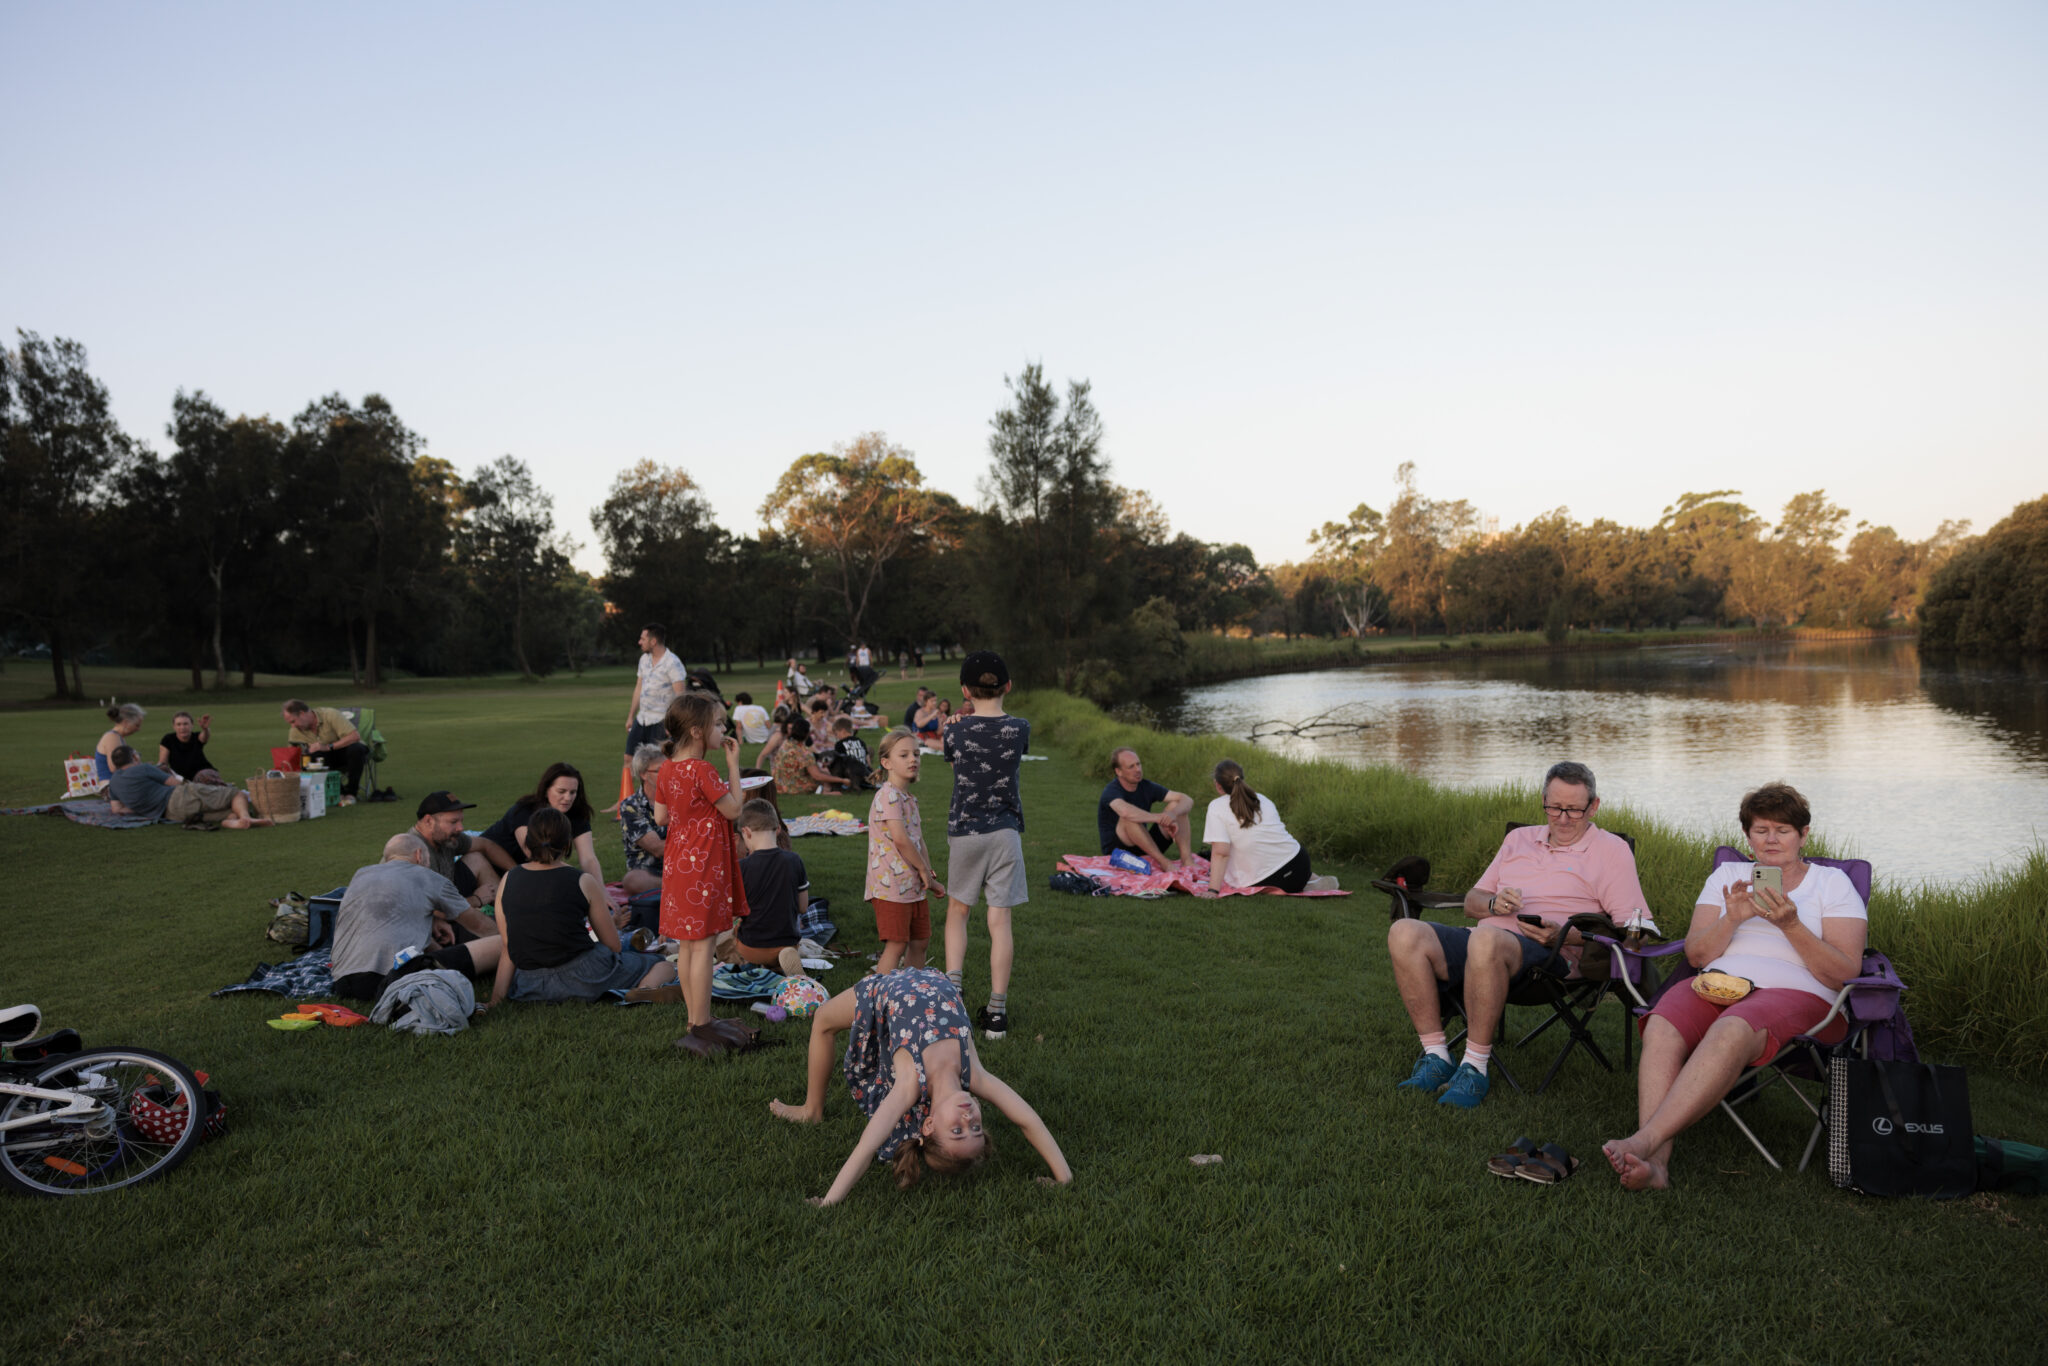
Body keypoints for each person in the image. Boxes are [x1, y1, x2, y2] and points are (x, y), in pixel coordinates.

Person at [1603, 783, 1868, 1191]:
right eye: (1761, 830)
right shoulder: (1727, 877)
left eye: (1783, 829)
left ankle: (1645, 1141)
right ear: (1747, 837)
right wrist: (1731, 918)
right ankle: (1656, 1167)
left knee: (1730, 1029)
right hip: (1719, 983)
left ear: (1804, 835)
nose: (1772, 839)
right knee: (1661, 1026)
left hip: (1802, 995)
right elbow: (1696, 956)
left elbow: (1844, 971)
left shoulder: (1832, 884)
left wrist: (1791, 925)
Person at [1386, 760, 1649, 1110]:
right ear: (1543, 801)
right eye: (1554, 807)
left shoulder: (1611, 851)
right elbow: (1472, 901)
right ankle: (1436, 1056)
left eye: (1573, 809)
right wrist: (1494, 903)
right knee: (1404, 932)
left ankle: (1475, 1068)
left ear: (1594, 806)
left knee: (1486, 940)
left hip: (1550, 959)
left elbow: (1634, 931)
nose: (1563, 818)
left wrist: (1565, 936)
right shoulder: (1518, 839)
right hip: (1486, 942)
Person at [768, 968, 1072, 1204]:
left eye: (956, 1131)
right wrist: (1063, 1179)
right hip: (933, 979)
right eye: (977, 1129)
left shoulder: (910, 1084)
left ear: (928, 1124)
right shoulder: (975, 1074)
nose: (969, 1121)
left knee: (822, 1020)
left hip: (886, 992)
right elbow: (1027, 1119)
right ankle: (812, 1108)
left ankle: (812, 1110)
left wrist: (828, 1202)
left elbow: (867, 1145)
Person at [483, 808, 676, 1008]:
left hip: (530, 984)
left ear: (527, 842)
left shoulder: (508, 879)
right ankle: (640, 993)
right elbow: (613, 946)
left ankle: (636, 992)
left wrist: (496, 1000)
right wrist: (613, 925)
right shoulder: (582, 880)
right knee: (662, 965)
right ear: (567, 844)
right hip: (585, 976)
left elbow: (509, 946)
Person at [654, 693, 753, 1052]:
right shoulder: (703, 770)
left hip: (677, 865)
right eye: (718, 723)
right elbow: (733, 809)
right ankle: (702, 1022)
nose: (723, 729)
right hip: (704, 867)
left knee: (687, 946)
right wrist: (733, 765)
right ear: (698, 731)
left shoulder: (665, 768)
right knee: (705, 946)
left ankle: (694, 1020)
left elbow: (660, 818)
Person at [942, 650, 1030, 1041]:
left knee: (958, 912)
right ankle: (997, 1015)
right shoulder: (1021, 728)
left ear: (965, 690)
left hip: (965, 832)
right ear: (1007, 686)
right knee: (1000, 922)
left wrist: (956, 724)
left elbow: (956, 765)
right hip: (1005, 833)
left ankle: (953, 997)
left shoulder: (954, 731)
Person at [332, 832, 505, 1001]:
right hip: (393, 979)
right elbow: (479, 926)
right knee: (501, 943)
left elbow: (389, 926)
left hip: (342, 981)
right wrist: (509, 939)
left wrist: (433, 933)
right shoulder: (428, 877)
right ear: (419, 855)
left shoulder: (361, 874)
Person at [866, 728, 944, 975]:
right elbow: (900, 839)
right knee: (897, 944)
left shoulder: (908, 798)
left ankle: (910, 992)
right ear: (886, 762)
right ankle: (876, 1001)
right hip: (890, 888)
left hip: (913, 886)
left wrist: (928, 875)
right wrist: (922, 870)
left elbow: (918, 840)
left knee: (920, 942)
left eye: (916, 754)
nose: (913, 759)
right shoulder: (887, 796)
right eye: (904, 755)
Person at [1201, 758, 1337, 894]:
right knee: (1279, 859)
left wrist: (1213, 890)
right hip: (1299, 862)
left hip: (1270, 878)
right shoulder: (1262, 799)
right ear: (1242, 778)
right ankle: (1311, 880)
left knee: (1270, 872)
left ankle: (1299, 884)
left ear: (1218, 785)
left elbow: (1221, 852)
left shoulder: (1216, 807)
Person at [466, 763, 604, 887]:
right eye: (561, 791)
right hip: (493, 867)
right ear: (546, 790)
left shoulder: (576, 814)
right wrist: (575, 879)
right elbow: (536, 855)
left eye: (573, 792)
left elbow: (588, 858)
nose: (568, 798)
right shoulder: (525, 811)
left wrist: (601, 892)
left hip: (524, 872)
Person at [722, 799, 807, 978]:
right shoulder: (794, 860)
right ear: (777, 829)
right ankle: (779, 965)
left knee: (724, 935)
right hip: (788, 943)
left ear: (746, 832)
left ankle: (749, 965)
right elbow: (803, 907)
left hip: (752, 948)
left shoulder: (741, 867)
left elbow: (732, 913)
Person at [105, 746, 273, 829]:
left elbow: (118, 809)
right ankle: (246, 818)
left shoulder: (113, 783)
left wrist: (141, 803)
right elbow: (175, 783)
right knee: (235, 794)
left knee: (227, 810)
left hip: (171, 815)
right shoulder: (142, 768)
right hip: (179, 796)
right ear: (134, 756)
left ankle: (230, 820)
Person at [1097, 747, 1198, 871]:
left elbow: (1187, 799)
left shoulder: (1146, 786)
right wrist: (1159, 818)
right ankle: (1164, 862)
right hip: (1120, 853)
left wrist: (1173, 814)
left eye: (1138, 764)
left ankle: (1187, 861)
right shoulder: (1111, 791)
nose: (1138, 769)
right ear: (1119, 771)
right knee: (1127, 818)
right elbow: (1125, 811)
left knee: (1177, 805)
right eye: (1131, 767)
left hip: (1145, 846)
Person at [410, 790, 500, 928]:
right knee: (495, 937)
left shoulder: (445, 837)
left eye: (460, 821)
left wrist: (518, 872)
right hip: (426, 925)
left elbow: (486, 845)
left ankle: (512, 912)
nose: (460, 828)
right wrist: (476, 900)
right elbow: (435, 912)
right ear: (429, 821)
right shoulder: (415, 853)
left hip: (448, 900)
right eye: (453, 822)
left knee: (475, 858)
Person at [621, 623, 687, 803]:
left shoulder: (672, 662)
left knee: (660, 763)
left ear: (653, 641)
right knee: (629, 758)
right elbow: (638, 688)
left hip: (661, 720)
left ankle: (662, 802)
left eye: (643, 638)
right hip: (642, 718)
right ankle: (627, 801)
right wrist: (630, 715)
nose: (639, 642)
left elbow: (680, 695)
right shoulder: (644, 660)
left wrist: (673, 723)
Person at [281, 699, 368, 805]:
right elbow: (291, 756)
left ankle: (351, 793)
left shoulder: (330, 714)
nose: (293, 726)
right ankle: (338, 793)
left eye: (293, 721)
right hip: (325, 759)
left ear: (302, 714)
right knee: (313, 756)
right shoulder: (295, 731)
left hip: (347, 752)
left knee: (356, 748)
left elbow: (354, 737)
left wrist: (327, 747)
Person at [618, 744, 668, 897]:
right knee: (633, 880)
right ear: (643, 774)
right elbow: (658, 849)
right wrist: (696, 843)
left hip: (683, 865)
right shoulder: (630, 806)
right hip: (652, 873)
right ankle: (680, 885)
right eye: (660, 770)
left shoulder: (679, 799)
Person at [772, 717, 851, 796]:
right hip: (794, 788)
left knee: (824, 772)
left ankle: (825, 790)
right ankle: (825, 792)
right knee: (833, 786)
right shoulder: (805, 752)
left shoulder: (786, 743)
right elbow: (817, 776)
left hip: (779, 786)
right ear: (807, 734)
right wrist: (842, 780)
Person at [94, 703, 147, 782]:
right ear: (125, 723)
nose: (138, 729)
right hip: (111, 785)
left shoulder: (117, 737)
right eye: (137, 725)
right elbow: (115, 768)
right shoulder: (112, 738)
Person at [156, 711, 214, 781]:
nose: (182, 727)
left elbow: (204, 737)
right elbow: (163, 762)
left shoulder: (196, 737)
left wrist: (205, 729)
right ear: (174, 726)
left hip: (203, 773)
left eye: (185, 724)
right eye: (178, 724)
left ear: (192, 725)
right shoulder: (168, 740)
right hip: (180, 778)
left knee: (205, 778)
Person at [828, 716, 873, 790]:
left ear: (843, 731)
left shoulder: (839, 744)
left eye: (836, 734)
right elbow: (868, 762)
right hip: (865, 776)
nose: (837, 737)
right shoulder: (861, 741)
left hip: (851, 778)